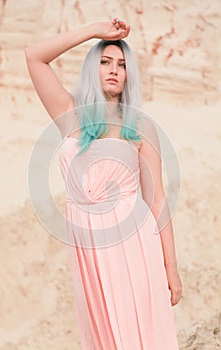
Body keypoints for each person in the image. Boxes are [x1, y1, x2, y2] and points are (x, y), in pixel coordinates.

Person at [25, 18, 182, 350]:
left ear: (129, 76)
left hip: (135, 242)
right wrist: (93, 32)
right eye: (105, 62)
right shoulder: (70, 114)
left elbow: (157, 201)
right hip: (89, 250)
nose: (114, 70)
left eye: (122, 65)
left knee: (138, 332)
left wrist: (172, 269)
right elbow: (34, 56)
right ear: (92, 69)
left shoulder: (139, 127)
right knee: (103, 336)